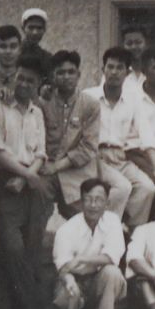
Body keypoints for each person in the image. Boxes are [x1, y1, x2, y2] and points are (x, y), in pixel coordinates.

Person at [0, 54, 51, 309]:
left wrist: (28, 177)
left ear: (38, 85)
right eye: (20, 78)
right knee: (12, 249)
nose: (23, 84)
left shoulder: (37, 113)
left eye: (30, 81)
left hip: (27, 183)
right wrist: (27, 176)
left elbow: (40, 153)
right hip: (4, 182)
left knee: (32, 250)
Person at [89, 47, 155, 225]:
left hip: (119, 158)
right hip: (95, 157)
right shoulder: (89, 96)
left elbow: (146, 134)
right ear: (103, 70)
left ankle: (130, 233)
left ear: (127, 72)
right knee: (122, 188)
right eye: (110, 67)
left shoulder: (133, 99)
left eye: (119, 68)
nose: (114, 72)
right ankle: (108, 231)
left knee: (148, 189)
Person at [52, 178, 126, 309]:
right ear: (80, 202)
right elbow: (63, 267)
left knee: (113, 272)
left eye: (99, 200)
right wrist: (69, 280)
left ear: (107, 203)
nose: (93, 205)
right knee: (69, 293)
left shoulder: (112, 221)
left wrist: (81, 259)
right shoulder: (66, 229)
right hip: (73, 278)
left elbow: (111, 257)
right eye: (88, 199)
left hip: (96, 282)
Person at [37, 49, 101, 218]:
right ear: (53, 76)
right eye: (61, 72)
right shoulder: (43, 103)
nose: (66, 77)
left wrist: (57, 166)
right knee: (37, 200)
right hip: (47, 168)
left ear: (79, 75)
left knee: (85, 218)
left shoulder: (90, 104)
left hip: (77, 170)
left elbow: (89, 146)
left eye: (71, 72)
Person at [0, 25, 22, 94]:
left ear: (20, 50)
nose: (8, 51)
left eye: (13, 46)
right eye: (3, 46)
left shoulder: (25, 81)